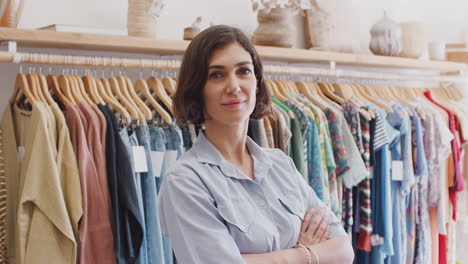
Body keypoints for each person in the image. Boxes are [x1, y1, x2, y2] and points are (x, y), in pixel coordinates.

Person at [157, 25, 354, 264]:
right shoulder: (185, 181)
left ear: (257, 83)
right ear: (197, 89)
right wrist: (305, 253)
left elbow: (343, 249)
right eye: (217, 75)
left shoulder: (280, 164)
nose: (234, 86)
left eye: (243, 71)